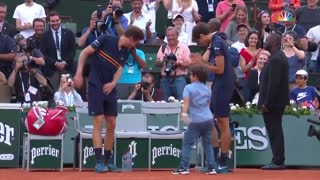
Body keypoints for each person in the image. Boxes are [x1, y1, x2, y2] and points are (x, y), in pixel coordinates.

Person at [73, 26, 144, 173]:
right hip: (95, 85)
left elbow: (119, 68)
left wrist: (113, 83)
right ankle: (99, 162)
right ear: (131, 39)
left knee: (112, 123)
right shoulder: (106, 39)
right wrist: (79, 73)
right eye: (135, 43)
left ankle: (108, 160)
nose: (135, 46)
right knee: (98, 121)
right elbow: (85, 53)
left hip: (110, 88)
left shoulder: (125, 51)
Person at [191, 23, 234, 173]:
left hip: (223, 84)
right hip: (218, 84)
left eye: (198, 41)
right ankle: (213, 160)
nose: (200, 44)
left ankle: (222, 161)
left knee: (223, 122)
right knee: (212, 120)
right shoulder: (214, 42)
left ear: (202, 36)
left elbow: (220, 69)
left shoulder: (217, 43)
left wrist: (202, 64)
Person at [172, 64, 217, 175]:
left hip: (196, 120)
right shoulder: (207, 89)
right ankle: (212, 167)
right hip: (208, 119)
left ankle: (184, 167)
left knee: (187, 143)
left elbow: (186, 103)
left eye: (191, 75)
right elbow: (208, 105)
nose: (190, 77)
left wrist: (184, 114)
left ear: (196, 76)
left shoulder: (188, 88)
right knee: (208, 144)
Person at [258, 33, 289, 170]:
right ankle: (277, 159)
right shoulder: (277, 57)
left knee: (275, 131)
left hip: (273, 103)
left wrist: (267, 103)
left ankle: (278, 160)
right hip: (276, 102)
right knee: (275, 130)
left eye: (268, 40)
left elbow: (274, 84)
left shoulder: (276, 59)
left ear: (275, 42)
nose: (265, 41)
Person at [40, 11, 76, 92]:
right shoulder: (45, 36)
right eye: (53, 21)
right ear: (48, 22)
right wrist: (55, 63)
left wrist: (64, 62)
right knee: (55, 94)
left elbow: (72, 51)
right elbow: (43, 53)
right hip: (51, 69)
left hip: (67, 68)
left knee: (69, 91)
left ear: (60, 20)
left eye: (57, 20)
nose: (55, 23)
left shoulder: (69, 33)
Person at [156, 26, 191, 101]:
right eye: (168, 35)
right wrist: (163, 60)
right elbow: (157, 63)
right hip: (165, 79)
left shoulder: (184, 47)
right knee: (164, 102)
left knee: (181, 102)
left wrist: (179, 64)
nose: (170, 37)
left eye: (173, 35)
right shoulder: (163, 47)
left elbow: (189, 64)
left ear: (177, 36)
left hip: (179, 78)